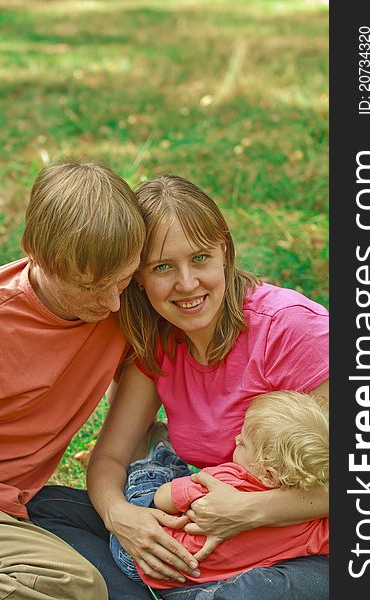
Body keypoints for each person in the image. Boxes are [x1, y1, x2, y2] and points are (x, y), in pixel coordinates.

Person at [82, 174, 329, 599]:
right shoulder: (161, 342)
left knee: (250, 594)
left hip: (311, 546)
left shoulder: (293, 330)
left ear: (225, 254)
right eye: (162, 267)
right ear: (137, 277)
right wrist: (120, 515)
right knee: (46, 512)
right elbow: (110, 456)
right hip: (222, 542)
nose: (187, 283)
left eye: (200, 258)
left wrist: (250, 511)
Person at [0, 161, 153, 600]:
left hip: (4, 506)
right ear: (36, 252)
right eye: (89, 287)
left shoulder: (123, 303)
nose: (110, 303)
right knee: (69, 581)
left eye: (122, 281)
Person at [109, 390, 329, 593]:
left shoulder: (225, 481)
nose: (236, 439)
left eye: (243, 443)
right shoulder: (313, 526)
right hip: (185, 578)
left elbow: (163, 499)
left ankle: (156, 458)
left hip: (139, 554)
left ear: (268, 475)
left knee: (154, 482)